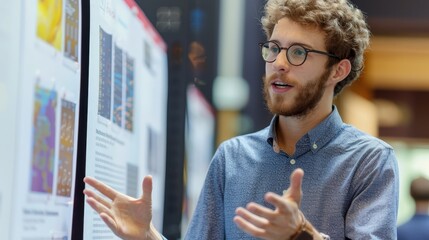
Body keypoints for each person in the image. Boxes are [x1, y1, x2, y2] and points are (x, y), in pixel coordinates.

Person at [84, 0, 399, 239]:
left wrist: (301, 233)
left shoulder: (369, 161)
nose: (278, 63)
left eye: (299, 53)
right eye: (274, 49)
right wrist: (147, 236)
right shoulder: (232, 157)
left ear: (338, 70)